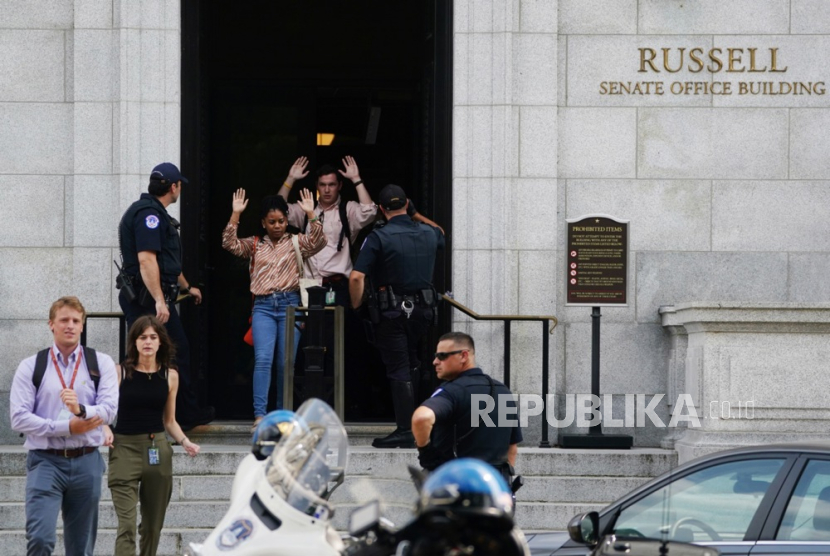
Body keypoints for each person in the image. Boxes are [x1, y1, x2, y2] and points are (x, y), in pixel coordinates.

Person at [9, 296, 118, 556]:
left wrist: (81, 411)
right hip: (45, 461)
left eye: (76, 320)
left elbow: (110, 410)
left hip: (86, 461)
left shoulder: (100, 363)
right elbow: (19, 418)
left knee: (80, 548)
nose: (70, 325)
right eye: (64, 320)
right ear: (51, 325)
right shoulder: (32, 366)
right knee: (40, 539)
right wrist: (67, 427)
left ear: (82, 325)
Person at [117, 162, 214, 429]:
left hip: (149, 298)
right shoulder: (150, 215)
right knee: (155, 355)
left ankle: (174, 415)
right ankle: (182, 416)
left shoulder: (155, 213)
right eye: (179, 185)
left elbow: (166, 262)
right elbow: (147, 261)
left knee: (162, 355)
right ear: (174, 187)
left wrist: (186, 287)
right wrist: (160, 300)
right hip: (146, 301)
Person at [349, 184, 444, 448]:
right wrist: (415, 213)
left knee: (399, 367)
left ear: (381, 209)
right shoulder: (428, 232)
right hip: (423, 313)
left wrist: (358, 306)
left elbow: (357, 277)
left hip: (391, 313)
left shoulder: (379, 237)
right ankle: (418, 424)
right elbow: (441, 232)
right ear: (408, 204)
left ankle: (406, 429)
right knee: (412, 362)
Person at [222, 188, 325, 429]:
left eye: (281, 221)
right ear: (263, 223)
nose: (278, 226)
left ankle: (283, 415)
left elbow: (320, 241)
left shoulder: (297, 241)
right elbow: (229, 244)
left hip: (291, 305)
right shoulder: (256, 244)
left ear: (287, 221)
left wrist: (311, 214)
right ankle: (260, 415)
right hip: (264, 307)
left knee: (286, 362)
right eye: (272, 222)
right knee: (263, 360)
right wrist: (235, 215)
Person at [104, 316, 200, 556]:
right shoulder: (119, 372)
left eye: (153, 337)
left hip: (156, 447)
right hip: (123, 448)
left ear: (160, 342)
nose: (147, 342)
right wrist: (104, 426)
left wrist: (185, 442)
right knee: (126, 525)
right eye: (142, 337)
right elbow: (104, 411)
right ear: (134, 342)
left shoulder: (170, 376)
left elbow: (170, 421)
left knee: (152, 527)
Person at [411, 332, 523, 486]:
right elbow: (512, 448)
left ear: (463, 356)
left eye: (442, 356)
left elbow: (421, 418)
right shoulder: (502, 391)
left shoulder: (451, 391)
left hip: (452, 485)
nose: (435, 361)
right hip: (494, 488)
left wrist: (425, 452)